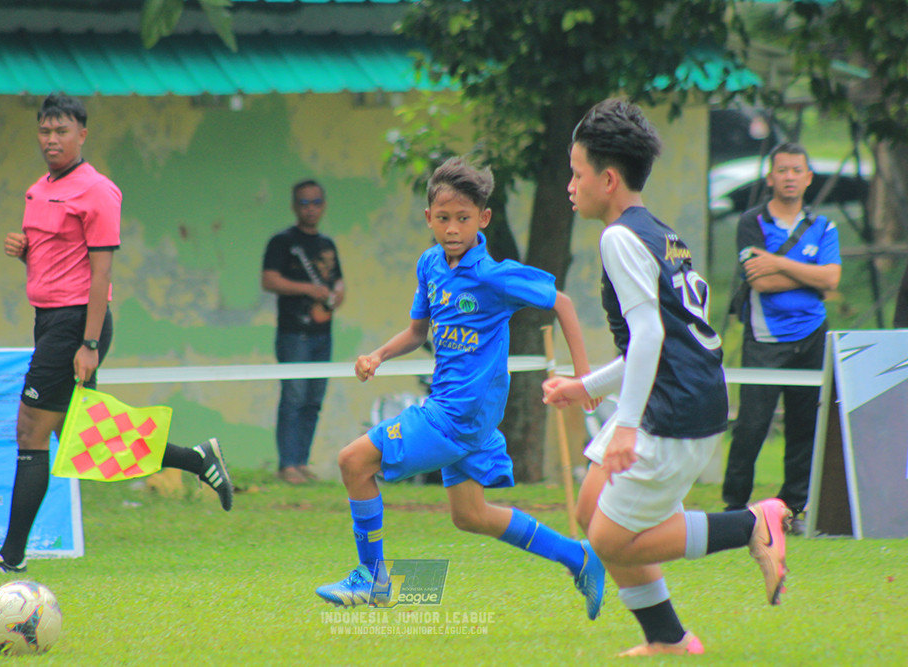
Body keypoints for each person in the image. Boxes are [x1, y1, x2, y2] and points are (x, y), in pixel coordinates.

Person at [542, 99, 792, 656]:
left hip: (674, 410)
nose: (570, 185)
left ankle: (752, 523)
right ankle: (668, 639)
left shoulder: (616, 239)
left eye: (576, 173)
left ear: (608, 179)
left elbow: (651, 336)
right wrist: (587, 389)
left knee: (611, 540)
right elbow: (655, 344)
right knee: (589, 508)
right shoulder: (659, 231)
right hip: (683, 392)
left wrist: (625, 427)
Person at [314, 157, 607, 621]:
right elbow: (417, 332)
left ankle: (372, 578)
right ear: (429, 218)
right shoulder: (430, 264)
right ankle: (580, 558)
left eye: (464, 218)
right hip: (453, 412)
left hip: (456, 418)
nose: (453, 228)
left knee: (353, 461)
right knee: (470, 515)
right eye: (444, 218)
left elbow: (564, 304)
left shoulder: (493, 277)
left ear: (483, 220)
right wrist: (377, 356)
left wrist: (584, 377)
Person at [0, 94, 233, 575]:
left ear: (82, 134)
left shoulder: (98, 191)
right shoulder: (37, 190)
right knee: (88, 437)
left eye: (61, 131)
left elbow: (100, 275)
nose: (51, 139)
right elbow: (54, 258)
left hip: (77, 322)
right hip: (49, 319)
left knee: (30, 430)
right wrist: (24, 249)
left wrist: (88, 345)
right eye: (44, 130)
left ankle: (11, 557)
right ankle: (197, 458)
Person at [722, 142, 842, 535]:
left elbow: (832, 279)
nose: (789, 177)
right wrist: (807, 272)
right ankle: (734, 506)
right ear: (771, 177)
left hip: (813, 335)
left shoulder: (824, 227)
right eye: (782, 170)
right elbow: (760, 279)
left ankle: (792, 508)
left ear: (808, 178)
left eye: (797, 170)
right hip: (765, 338)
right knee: (753, 425)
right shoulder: (751, 223)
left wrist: (777, 261)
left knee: (806, 424)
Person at [262, 180, 345, 485]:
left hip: (324, 333)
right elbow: (269, 280)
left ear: (323, 205)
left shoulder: (327, 244)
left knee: (313, 399)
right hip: (294, 333)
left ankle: (301, 462)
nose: (311, 208)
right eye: (304, 202)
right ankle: (288, 465)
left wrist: (336, 293)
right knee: (294, 397)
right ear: (295, 206)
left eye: (316, 202)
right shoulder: (282, 242)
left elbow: (338, 282)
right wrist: (308, 288)